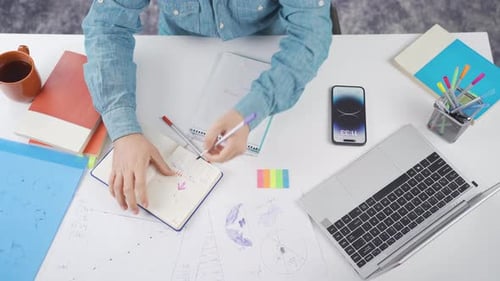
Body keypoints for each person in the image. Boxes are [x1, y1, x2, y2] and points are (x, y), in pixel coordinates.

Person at [82, 0, 332, 214]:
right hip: (184, 48)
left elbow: (311, 34)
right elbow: (106, 26)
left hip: (270, 52)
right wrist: (124, 130)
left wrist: (254, 108)